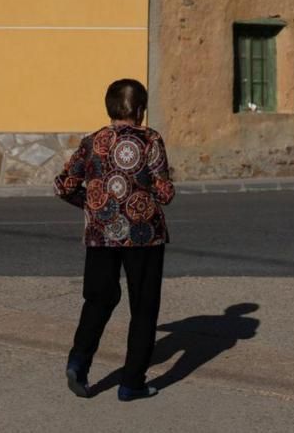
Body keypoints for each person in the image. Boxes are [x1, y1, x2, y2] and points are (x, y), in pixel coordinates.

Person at [54, 78, 175, 402]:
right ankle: (131, 383)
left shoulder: (92, 142)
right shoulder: (151, 141)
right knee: (144, 307)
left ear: (109, 107)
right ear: (139, 109)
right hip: (144, 236)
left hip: (101, 234)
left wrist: (96, 205)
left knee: (98, 299)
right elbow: (165, 194)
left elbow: (63, 186)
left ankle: (79, 362)